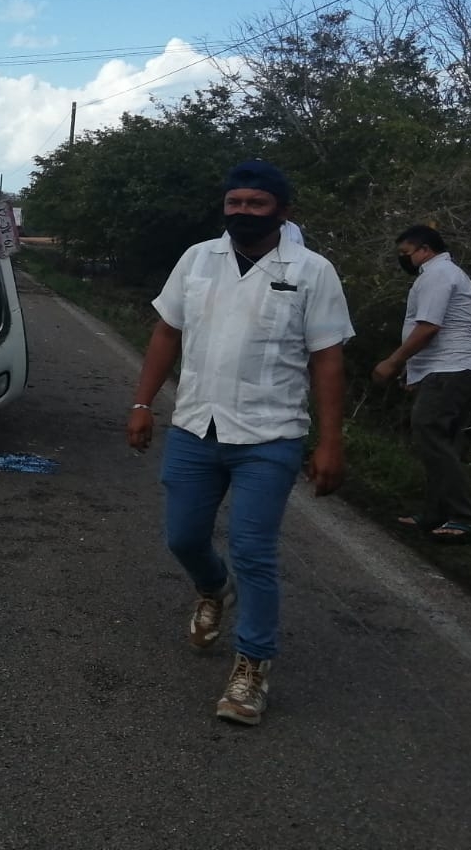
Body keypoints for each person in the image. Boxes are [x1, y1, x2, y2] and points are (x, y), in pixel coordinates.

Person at [127, 160, 353, 726]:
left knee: (254, 552)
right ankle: (211, 587)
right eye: (235, 203)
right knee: (182, 537)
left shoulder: (312, 270)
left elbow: (327, 359)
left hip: (270, 435)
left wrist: (331, 442)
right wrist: (141, 403)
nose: (243, 212)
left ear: (282, 209)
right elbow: (166, 331)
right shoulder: (197, 258)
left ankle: (252, 665)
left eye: (256, 203)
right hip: (195, 425)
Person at [371, 225, 471, 542]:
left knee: (429, 436)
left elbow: (428, 328)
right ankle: (438, 513)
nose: (403, 260)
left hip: (452, 368)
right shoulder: (444, 273)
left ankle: (466, 517)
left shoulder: (438, 274)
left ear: (424, 249)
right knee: (439, 442)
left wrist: (393, 363)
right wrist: (416, 371)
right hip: (451, 369)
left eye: (405, 253)